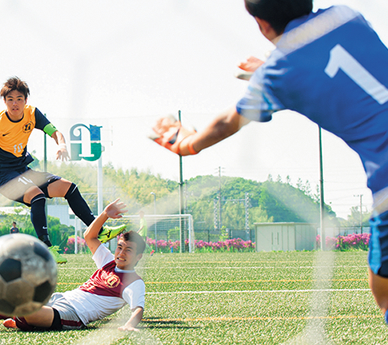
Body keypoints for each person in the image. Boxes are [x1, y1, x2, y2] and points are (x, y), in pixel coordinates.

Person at [151, 0, 388, 325]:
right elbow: (344, 67)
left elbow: (227, 122)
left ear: (261, 24)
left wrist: (188, 144)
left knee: (385, 293)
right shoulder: (347, 15)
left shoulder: (279, 74)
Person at [0, 77, 125, 264]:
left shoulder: (32, 114)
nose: (15, 103)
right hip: (5, 177)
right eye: (10, 99)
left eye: (19, 98)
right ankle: (47, 247)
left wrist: (62, 146)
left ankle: (98, 231)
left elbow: (55, 131)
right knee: (37, 195)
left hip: (24, 171)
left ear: (26, 100)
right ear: (4, 101)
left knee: (69, 188)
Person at [0, 198, 145, 332]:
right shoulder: (108, 262)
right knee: (11, 300)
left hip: (73, 314)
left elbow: (137, 309)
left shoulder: (133, 282)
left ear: (138, 257)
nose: (121, 253)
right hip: (59, 298)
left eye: (128, 250)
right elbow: (89, 236)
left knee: (14, 303)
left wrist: (129, 326)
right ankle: (12, 321)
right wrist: (105, 215)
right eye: (119, 247)